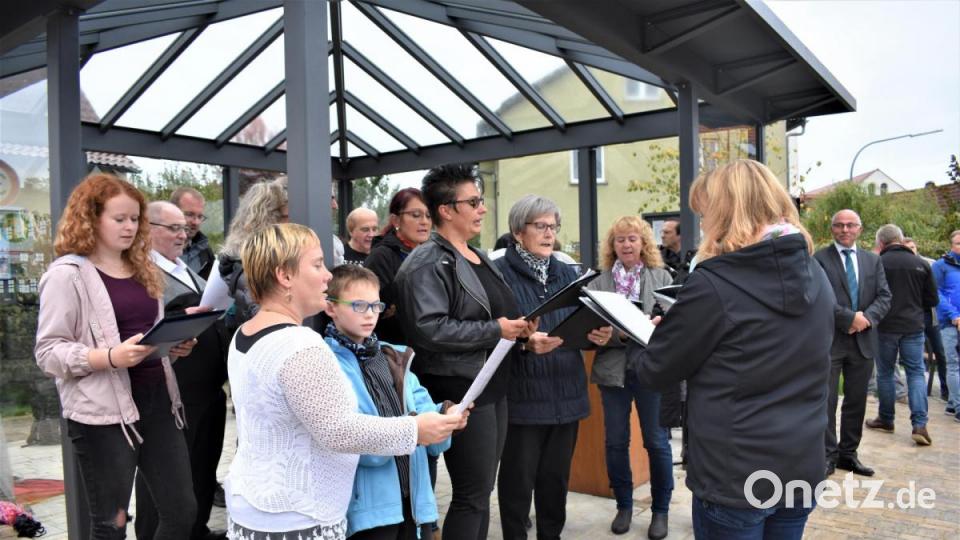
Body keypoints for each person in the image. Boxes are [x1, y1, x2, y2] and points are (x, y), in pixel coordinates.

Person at [627, 159, 834, 538]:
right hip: (800, 463)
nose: (702, 224)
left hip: (734, 473)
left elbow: (655, 370)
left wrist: (660, 335)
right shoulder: (816, 273)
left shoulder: (714, 284)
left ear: (726, 212)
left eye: (705, 213)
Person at [224, 223, 466, 540]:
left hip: (256, 506)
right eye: (316, 264)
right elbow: (339, 431)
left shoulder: (246, 334)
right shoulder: (301, 345)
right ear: (285, 276)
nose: (327, 275)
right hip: (298, 515)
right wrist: (416, 429)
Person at [35, 173, 198, 539]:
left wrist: (172, 346)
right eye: (119, 218)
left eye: (135, 219)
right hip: (101, 415)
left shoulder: (142, 269)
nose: (129, 227)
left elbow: (145, 337)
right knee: (112, 524)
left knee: (181, 512)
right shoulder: (67, 275)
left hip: (158, 402)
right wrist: (108, 357)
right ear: (91, 218)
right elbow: (48, 353)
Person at [395, 164, 534, 540]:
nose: (482, 208)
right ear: (446, 209)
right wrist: (497, 330)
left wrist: (522, 335)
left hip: (491, 384)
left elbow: (494, 316)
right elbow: (429, 329)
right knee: (472, 495)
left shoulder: (475, 255)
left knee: (481, 491)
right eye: (473, 202)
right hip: (460, 388)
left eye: (480, 200)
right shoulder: (427, 262)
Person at [493, 195, 612, 540]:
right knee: (517, 484)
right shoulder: (498, 275)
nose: (549, 234)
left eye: (553, 227)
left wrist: (598, 336)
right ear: (518, 231)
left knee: (555, 482)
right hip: (523, 397)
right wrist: (524, 343)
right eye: (540, 226)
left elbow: (579, 324)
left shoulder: (570, 273)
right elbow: (489, 332)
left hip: (567, 393)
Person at [323, 265, 459, 539]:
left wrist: (445, 417)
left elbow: (421, 409)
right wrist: (415, 430)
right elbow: (352, 438)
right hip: (368, 507)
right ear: (331, 308)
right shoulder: (325, 361)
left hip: (411, 498)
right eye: (359, 305)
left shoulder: (396, 356)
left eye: (375, 305)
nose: (370, 314)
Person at [136, 201, 229, 540]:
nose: (183, 234)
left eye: (185, 228)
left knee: (202, 467)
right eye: (173, 228)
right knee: (164, 476)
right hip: (172, 390)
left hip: (206, 388)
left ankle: (197, 530)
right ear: (148, 229)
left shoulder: (183, 267)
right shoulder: (141, 271)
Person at [586, 215, 674, 538]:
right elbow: (589, 332)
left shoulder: (662, 276)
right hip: (613, 373)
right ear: (612, 246)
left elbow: (675, 325)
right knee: (615, 441)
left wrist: (658, 327)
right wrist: (618, 337)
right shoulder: (598, 283)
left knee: (657, 442)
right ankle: (623, 504)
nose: (626, 244)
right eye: (620, 239)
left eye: (633, 239)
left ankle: (660, 510)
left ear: (643, 243)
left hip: (651, 369)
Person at [814, 209, 891, 477]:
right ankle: (827, 455)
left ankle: (849, 454)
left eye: (850, 225)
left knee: (857, 401)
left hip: (863, 341)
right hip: (831, 341)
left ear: (859, 228)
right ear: (832, 229)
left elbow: (884, 297)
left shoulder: (873, 261)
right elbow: (817, 298)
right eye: (839, 225)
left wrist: (866, 319)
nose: (845, 230)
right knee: (827, 401)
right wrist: (848, 318)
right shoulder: (819, 260)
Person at [865, 224, 939, 445]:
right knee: (916, 373)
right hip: (913, 326)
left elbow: (869, 295)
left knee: (886, 373)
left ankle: (886, 419)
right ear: (900, 238)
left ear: (881, 243)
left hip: (886, 326)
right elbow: (932, 300)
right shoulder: (921, 264)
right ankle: (919, 424)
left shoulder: (877, 263)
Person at [212, 176, 289, 332]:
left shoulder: (246, 258)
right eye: (287, 217)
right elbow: (263, 315)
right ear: (268, 219)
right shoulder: (245, 263)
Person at [363, 188, 432, 346]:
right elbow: (374, 311)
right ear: (396, 220)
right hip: (395, 350)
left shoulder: (432, 254)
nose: (424, 221)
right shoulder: (381, 256)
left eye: (429, 215)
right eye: (416, 215)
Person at [905, 237, 949, 400]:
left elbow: (936, 292)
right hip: (912, 316)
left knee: (941, 351)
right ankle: (917, 392)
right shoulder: (901, 266)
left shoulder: (928, 264)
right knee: (914, 356)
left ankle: (946, 390)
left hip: (930, 315)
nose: (911, 250)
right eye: (907, 247)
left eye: (913, 247)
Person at [932, 230, 960, 422]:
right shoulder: (941, 265)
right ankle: (959, 407)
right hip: (950, 323)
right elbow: (936, 293)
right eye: (958, 243)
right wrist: (954, 315)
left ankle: (951, 403)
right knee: (953, 364)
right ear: (951, 245)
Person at [171, 187, 215, 279]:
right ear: (172, 211)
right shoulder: (153, 250)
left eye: (200, 216)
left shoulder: (205, 252)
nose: (196, 222)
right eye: (189, 214)